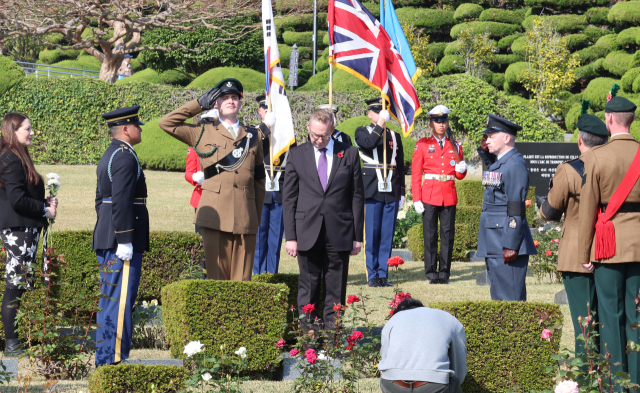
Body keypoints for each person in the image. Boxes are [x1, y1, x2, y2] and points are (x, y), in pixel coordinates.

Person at [159, 78, 266, 281]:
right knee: (216, 280)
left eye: (235, 97)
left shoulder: (253, 136)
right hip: (215, 215)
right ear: (215, 103)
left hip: (245, 216)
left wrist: (255, 217)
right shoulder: (202, 131)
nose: (230, 101)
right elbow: (166, 123)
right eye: (224, 97)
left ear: (241, 103)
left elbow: (259, 181)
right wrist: (198, 104)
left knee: (242, 279)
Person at [578, 95, 640, 388]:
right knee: (636, 318)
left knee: (610, 316)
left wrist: (584, 252)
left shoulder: (596, 157)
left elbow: (588, 208)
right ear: (632, 120)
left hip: (608, 246)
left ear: (610, 120)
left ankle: (617, 385)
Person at [283, 108, 364, 329]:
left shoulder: (348, 153)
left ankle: (332, 342)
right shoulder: (297, 154)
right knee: (308, 288)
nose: (319, 140)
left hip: (339, 232)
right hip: (307, 231)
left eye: (325, 136)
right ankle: (309, 342)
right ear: (308, 127)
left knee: (335, 290)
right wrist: (290, 236)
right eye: (315, 135)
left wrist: (357, 236)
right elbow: (289, 198)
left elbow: (357, 196)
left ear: (332, 130)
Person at [539, 107, 608, 355]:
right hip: (610, 249)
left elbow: (548, 213)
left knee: (584, 323)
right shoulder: (613, 167)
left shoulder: (569, 169)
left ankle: (585, 378)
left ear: (580, 140)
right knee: (606, 321)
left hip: (576, 253)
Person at [93, 105, 149, 366]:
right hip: (120, 242)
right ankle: (113, 360)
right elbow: (122, 200)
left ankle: (106, 358)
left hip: (109, 236)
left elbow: (100, 200)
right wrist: (124, 238)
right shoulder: (125, 156)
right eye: (136, 125)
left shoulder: (111, 153)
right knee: (119, 301)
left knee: (110, 300)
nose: (140, 128)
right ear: (125, 129)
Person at [0, 113, 57, 356]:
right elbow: (17, 200)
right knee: (15, 285)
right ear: (13, 131)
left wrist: (45, 201)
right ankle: (12, 345)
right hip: (18, 229)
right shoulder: (11, 159)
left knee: (18, 284)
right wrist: (44, 209)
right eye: (28, 128)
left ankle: (14, 342)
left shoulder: (16, 156)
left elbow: (23, 196)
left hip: (23, 228)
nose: (32, 132)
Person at [477, 114, 536, 301]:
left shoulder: (515, 165)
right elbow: (495, 172)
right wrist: (484, 151)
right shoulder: (501, 161)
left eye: (492, 136)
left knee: (510, 297)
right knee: (499, 295)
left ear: (506, 138)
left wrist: (511, 244)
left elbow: (516, 207)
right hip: (495, 238)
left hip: (505, 239)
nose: (487, 140)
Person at [411, 105, 467, 284]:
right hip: (429, 194)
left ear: (447, 123)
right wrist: (417, 198)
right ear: (431, 123)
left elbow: (458, 175)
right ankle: (431, 272)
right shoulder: (423, 144)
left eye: (443, 121)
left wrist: (462, 170)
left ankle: (444, 272)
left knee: (447, 235)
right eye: (437, 121)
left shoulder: (455, 144)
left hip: (448, 194)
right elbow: (416, 173)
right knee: (430, 234)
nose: (441, 125)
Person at [355, 98, 404, 287]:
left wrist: (401, 192)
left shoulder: (394, 135)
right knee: (373, 233)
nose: (381, 114)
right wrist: (380, 124)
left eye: (383, 111)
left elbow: (399, 164)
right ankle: (373, 274)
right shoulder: (362, 131)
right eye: (376, 111)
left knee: (387, 234)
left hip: (390, 187)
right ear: (369, 114)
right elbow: (369, 144)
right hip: (372, 188)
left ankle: (384, 273)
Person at [378, 298, 467, 393]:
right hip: (435, 386)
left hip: (392, 384)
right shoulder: (448, 319)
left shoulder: (394, 319)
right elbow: (459, 366)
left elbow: (385, 357)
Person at [253, 94, 287, 275]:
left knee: (275, 241)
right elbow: (252, 144)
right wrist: (265, 126)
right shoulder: (253, 131)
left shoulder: (286, 137)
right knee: (259, 239)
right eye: (267, 110)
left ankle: (272, 275)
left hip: (280, 193)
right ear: (261, 111)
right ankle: (258, 275)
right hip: (260, 192)